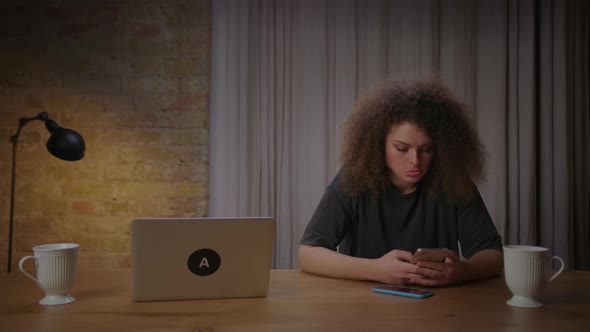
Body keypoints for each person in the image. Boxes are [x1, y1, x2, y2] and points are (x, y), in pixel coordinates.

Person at [298, 77, 503, 287]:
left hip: (438, 308)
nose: (415, 161)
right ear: (379, 143)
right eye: (402, 148)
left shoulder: (453, 180)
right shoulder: (353, 179)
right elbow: (308, 253)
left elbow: (493, 255)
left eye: (426, 149)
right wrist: (375, 270)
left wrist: (461, 271)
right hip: (362, 308)